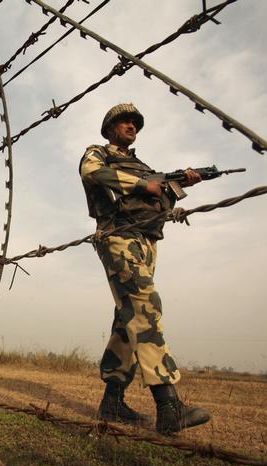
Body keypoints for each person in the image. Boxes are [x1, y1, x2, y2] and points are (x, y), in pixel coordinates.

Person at [79, 102, 211, 435]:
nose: (131, 126)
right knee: (146, 309)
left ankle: (112, 402)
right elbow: (91, 173)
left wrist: (180, 187)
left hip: (148, 241)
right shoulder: (98, 153)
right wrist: (142, 185)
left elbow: (158, 200)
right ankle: (169, 405)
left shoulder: (143, 165)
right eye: (124, 122)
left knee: (129, 317)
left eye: (135, 123)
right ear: (110, 129)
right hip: (117, 236)